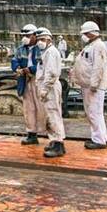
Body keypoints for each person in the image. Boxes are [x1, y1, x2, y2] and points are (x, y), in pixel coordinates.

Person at [72, 21, 107, 149]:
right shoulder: (91, 46)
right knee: (94, 113)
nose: (84, 36)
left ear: (92, 33)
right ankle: (101, 137)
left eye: (86, 33)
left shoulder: (98, 46)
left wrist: (94, 84)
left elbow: (98, 67)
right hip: (87, 84)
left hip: (93, 86)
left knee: (94, 112)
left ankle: (99, 140)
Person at [10, 24, 44, 145]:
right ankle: (31, 133)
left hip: (38, 80)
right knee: (28, 108)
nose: (25, 38)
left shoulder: (40, 48)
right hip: (25, 80)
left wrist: (31, 69)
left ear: (35, 36)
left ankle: (50, 134)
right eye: (24, 36)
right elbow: (15, 60)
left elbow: (43, 64)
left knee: (42, 107)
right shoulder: (21, 49)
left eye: (28, 35)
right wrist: (17, 68)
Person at [35, 28, 66, 158]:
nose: (40, 42)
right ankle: (54, 141)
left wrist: (45, 89)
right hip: (47, 86)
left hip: (50, 88)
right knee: (49, 116)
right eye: (38, 40)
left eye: (42, 39)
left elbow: (52, 73)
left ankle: (58, 144)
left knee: (53, 115)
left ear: (49, 39)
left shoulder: (51, 52)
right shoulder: (46, 52)